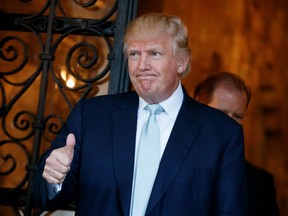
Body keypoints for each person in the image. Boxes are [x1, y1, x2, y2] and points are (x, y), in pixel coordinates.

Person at [33, 13, 247, 215]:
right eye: (134, 54)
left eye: (154, 53)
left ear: (181, 62)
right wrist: (54, 178)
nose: (142, 65)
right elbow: (43, 196)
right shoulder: (90, 116)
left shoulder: (222, 133)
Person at [194, 71, 280, 216]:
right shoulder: (168, 163)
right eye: (221, 113)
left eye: (238, 116)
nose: (230, 125)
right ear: (198, 107)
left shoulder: (260, 183)